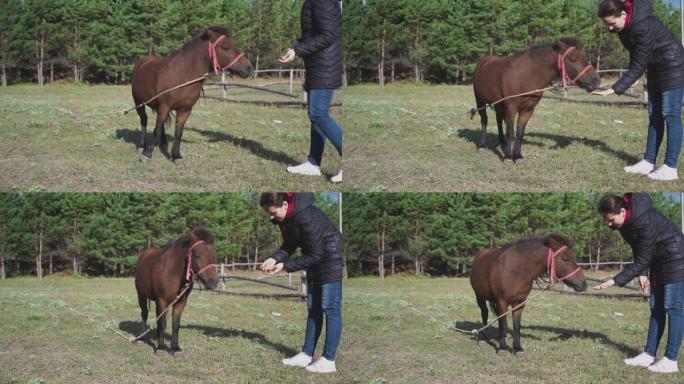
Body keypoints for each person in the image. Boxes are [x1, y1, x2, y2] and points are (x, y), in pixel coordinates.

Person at [593, 0, 684, 181]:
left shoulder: (642, 26)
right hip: (656, 67)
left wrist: (615, 88)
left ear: (624, 15)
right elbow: (637, 56)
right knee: (654, 115)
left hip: (673, 65)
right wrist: (633, 77)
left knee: (670, 114)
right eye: (607, 25)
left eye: (611, 23)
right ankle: (648, 162)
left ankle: (670, 167)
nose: (610, 29)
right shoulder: (625, 29)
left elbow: (639, 62)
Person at [594, 193, 684, 373]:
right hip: (658, 260)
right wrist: (643, 273)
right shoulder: (624, 223)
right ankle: (648, 354)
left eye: (610, 220)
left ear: (621, 211)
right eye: (606, 221)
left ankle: (670, 359)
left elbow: (642, 257)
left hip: (676, 257)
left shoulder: (643, 220)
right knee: (656, 308)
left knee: (673, 307)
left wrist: (614, 280)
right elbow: (639, 247)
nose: (609, 224)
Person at [259, 192, 343, 373]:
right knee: (313, 309)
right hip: (315, 260)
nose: (271, 217)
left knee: (330, 308)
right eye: (268, 214)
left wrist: (285, 266)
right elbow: (290, 244)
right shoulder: (287, 218)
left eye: (273, 212)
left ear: (284, 205)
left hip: (329, 260)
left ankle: (329, 360)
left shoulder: (305, 216)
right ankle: (306, 354)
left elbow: (316, 254)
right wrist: (275, 258)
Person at [278, 0, 343, 183]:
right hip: (318, 65)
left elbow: (328, 35)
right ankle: (313, 163)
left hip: (325, 65)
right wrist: (295, 48)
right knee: (316, 116)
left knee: (318, 113)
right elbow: (311, 34)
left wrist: (299, 50)